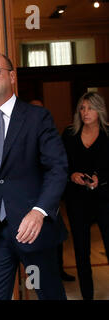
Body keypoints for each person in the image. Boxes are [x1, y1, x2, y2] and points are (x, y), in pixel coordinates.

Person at [0, 52, 68, 300]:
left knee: (49, 295)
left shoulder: (37, 118)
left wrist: (40, 211)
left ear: (12, 76)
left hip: (33, 231)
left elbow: (57, 169)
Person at [62, 92, 109, 300]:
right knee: (81, 252)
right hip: (78, 200)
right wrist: (72, 175)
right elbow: (60, 164)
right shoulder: (70, 134)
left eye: (90, 108)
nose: (85, 112)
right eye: (82, 108)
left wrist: (100, 177)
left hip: (105, 199)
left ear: (100, 110)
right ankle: (87, 296)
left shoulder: (108, 135)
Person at [29, 99, 76, 283]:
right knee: (33, 247)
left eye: (41, 110)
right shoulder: (22, 137)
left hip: (50, 201)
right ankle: (34, 280)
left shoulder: (50, 135)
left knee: (55, 241)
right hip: (29, 202)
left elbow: (58, 167)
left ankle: (58, 272)